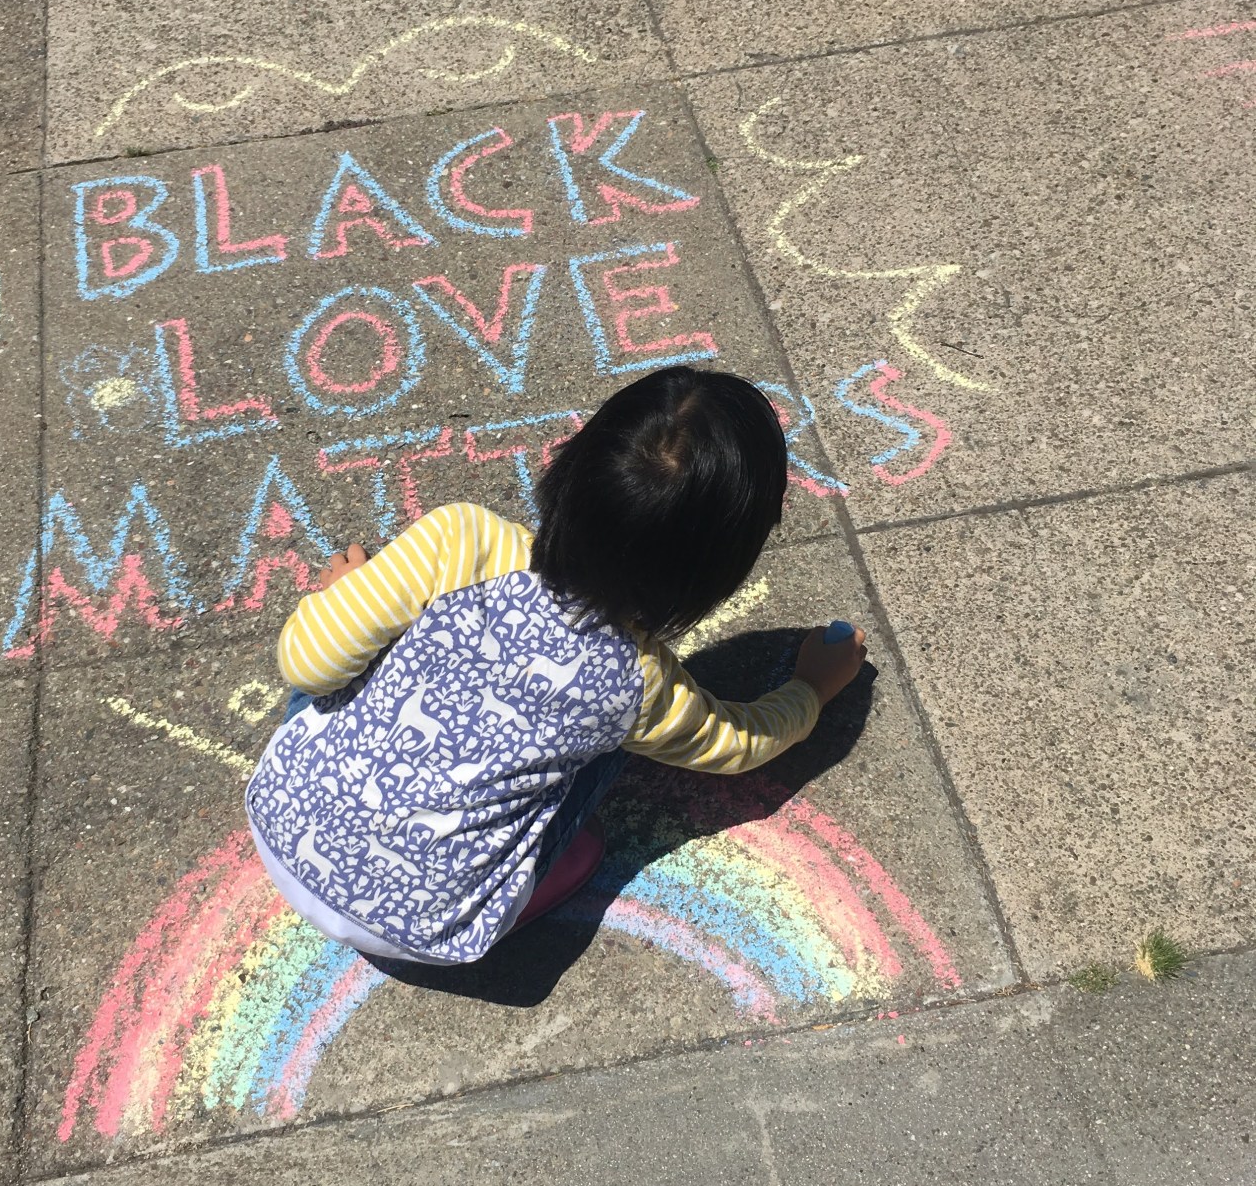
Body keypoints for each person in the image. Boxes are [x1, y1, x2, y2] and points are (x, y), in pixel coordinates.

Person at [243, 366, 867, 965]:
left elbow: (305, 667)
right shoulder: (640, 682)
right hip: (432, 926)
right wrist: (810, 689)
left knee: (351, 657)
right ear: (716, 575)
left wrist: (345, 595)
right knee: (613, 745)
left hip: (281, 827)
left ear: (576, 460)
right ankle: (531, 887)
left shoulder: (460, 539)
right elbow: (736, 743)